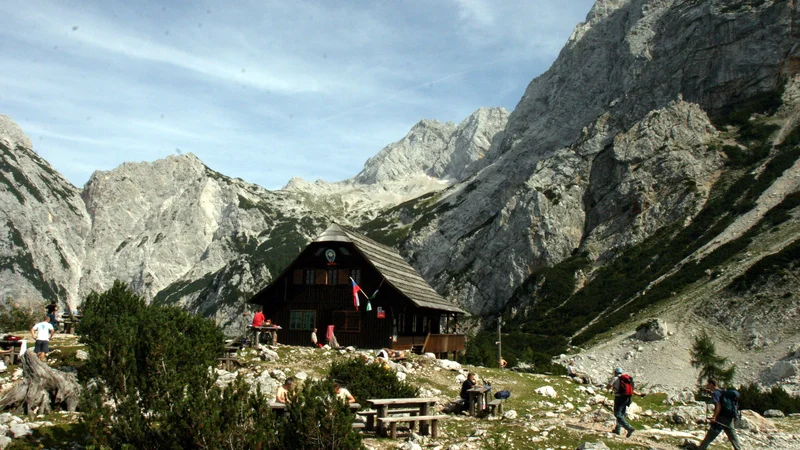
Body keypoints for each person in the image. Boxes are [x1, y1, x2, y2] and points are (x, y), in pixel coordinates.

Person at [698, 379, 742, 450]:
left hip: (721, 418)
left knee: (710, 435)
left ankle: (701, 448)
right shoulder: (722, 391)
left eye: (708, 384)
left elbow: (718, 405)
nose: (708, 386)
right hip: (729, 417)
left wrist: (714, 417)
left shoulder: (715, 393)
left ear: (711, 384)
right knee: (733, 436)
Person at [606, 367, 646, 437]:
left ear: (615, 372)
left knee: (617, 414)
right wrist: (639, 394)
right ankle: (617, 430)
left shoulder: (615, 378)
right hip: (627, 398)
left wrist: (609, 386)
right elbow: (631, 390)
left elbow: (608, 386)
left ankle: (629, 428)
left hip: (619, 398)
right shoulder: (626, 380)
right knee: (621, 414)